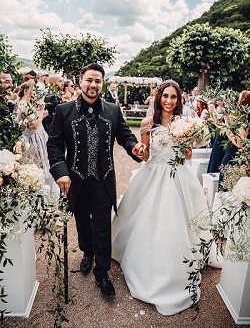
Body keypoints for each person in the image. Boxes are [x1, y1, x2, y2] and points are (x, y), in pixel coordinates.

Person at [112, 80, 214, 315]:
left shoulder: (185, 123)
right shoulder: (148, 123)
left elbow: (187, 156)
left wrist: (187, 137)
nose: (169, 100)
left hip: (179, 176)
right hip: (154, 174)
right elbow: (145, 156)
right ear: (158, 98)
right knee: (148, 220)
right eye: (165, 96)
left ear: (179, 101)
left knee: (180, 221)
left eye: (173, 97)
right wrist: (139, 149)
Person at [47, 63, 145, 297]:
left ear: (102, 83)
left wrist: (134, 148)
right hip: (76, 179)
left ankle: (102, 272)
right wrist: (60, 171)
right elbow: (54, 145)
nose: (93, 85)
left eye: (97, 81)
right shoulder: (64, 110)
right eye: (89, 80)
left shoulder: (112, 110)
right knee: (81, 220)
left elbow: (125, 136)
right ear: (81, 81)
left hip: (103, 178)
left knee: (102, 225)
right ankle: (87, 252)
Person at [17, 81, 58, 193]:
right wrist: (40, 111)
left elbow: (34, 122)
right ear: (26, 91)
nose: (35, 93)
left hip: (39, 137)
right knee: (39, 168)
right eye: (33, 90)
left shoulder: (28, 104)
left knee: (46, 166)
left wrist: (41, 115)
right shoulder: (23, 104)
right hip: (33, 141)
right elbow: (34, 126)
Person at [218, 90, 250, 189]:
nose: (237, 102)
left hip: (234, 159)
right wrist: (227, 119)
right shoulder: (241, 118)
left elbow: (239, 142)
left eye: (240, 99)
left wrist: (225, 127)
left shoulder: (246, 120)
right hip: (232, 155)